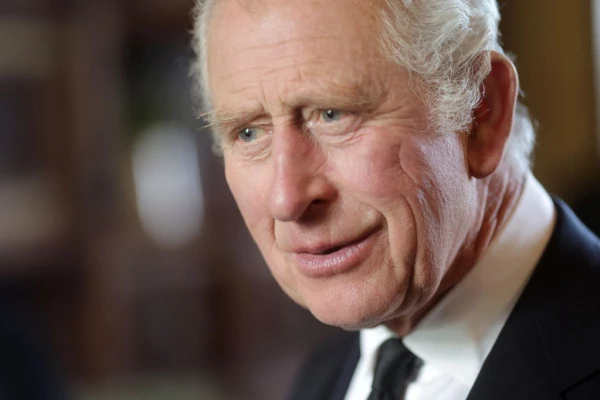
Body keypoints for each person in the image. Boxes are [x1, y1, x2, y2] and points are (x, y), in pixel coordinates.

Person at [191, 0, 600, 399]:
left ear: (480, 113)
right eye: (249, 133)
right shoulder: (321, 377)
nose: (286, 200)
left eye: (332, 114)